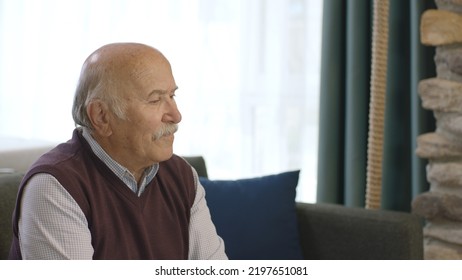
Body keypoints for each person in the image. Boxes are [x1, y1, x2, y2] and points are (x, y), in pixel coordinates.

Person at [9, 42, 227, 260]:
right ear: (102, 116)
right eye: (155, 100)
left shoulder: (182, 175)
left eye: (172, 96)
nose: (175, 115)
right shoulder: (55, 186)